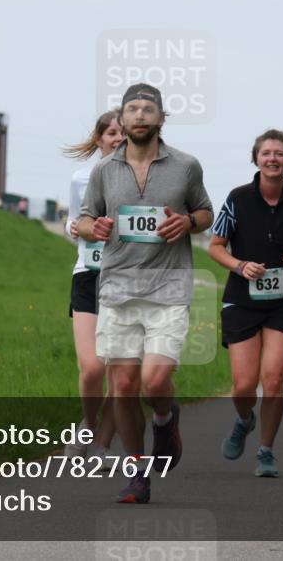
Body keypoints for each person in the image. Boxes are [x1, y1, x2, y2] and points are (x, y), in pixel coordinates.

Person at [77, 83, 213, 504]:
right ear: (123, 117)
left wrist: (187, 223)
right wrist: (94, 227)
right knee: (123, 383)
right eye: (131, 109)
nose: (139, 115)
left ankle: (164, 417)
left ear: (160, 118)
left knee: (154, 380)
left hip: (168, 286)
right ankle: (137, 471)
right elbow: (84, 219)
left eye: (147, 109)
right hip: (117, 287)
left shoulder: (186, 166)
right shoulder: (104, 171)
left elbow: (206, 211)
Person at [208, 129, 283, 478]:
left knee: (273, 380)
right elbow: (215, 246)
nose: (272, 158)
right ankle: (245, 419)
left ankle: (266, 450)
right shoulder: (238, 198)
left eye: (279, 153)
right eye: (266, 153)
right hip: (242, 300)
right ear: (256, 159)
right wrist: (241, 266)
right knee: (244, 385)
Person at [62, 108, 125, 467]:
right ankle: (88, 424)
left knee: (120, 370)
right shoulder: (81, 177)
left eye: (123, 134)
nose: (118, 139)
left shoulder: (141, 179)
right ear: (99, 139)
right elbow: (73, 218)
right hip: (88, 273)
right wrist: (74, 228)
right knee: (92, 368)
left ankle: (103, 443)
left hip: (128, 278)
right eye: (111, 133)